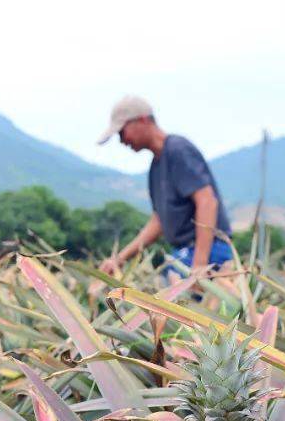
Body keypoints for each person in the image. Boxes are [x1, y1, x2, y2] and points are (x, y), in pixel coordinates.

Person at [97, 96, 232, 283]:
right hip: (182, 253)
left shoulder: (178, 150)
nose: (122, 140)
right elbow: (159, 221)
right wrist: (119, 259)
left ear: (143, 120)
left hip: (207, 250)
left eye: (122, 132)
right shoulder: (156, 167)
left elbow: (207, 201)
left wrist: (199, 265)